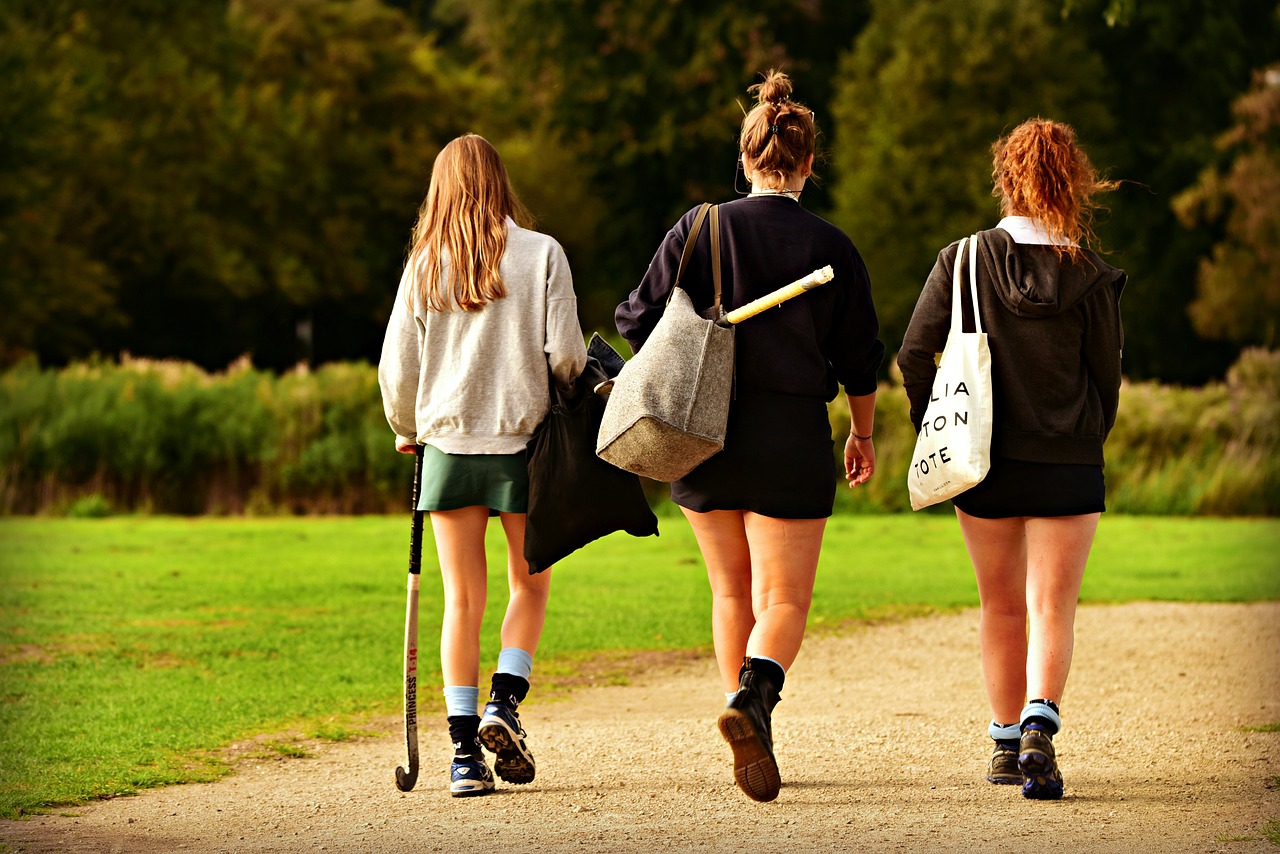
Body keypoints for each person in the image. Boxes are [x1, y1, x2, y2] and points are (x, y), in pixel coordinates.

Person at [615, 69, 884, 803]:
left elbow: (634, 320)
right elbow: (861, 358)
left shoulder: (698, 227)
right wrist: (862, 432)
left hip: (701, 434)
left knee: (731, 590)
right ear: (806, 163)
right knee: (785, 599)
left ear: (747, 157)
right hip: (791, 435)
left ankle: (746, 716)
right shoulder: (833, 245)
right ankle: (754, 700)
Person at [898, 118, 1126, 800]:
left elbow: (914, 355)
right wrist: (1087, 437)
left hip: (983, 460)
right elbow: (1106, 378)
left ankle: (1003, 744)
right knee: (1052, 605)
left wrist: (933, 424)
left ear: (1006, 179)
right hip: (1069, 461)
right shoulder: (1090, 274)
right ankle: (1038, 727)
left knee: (999, 607)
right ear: (1074, 183)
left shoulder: (962, 259)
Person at [379, 133, 587, 797]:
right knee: (529, 585)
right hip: (522, 448)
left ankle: (464, 757)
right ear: (500, 182)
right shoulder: (541, 253)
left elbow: (397, 371)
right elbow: (567, 359)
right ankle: (505, 699)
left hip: (445, 450)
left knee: (461, 600)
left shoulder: (424, 265)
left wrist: (407, 430)